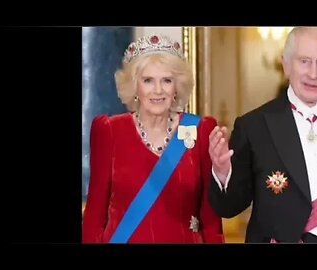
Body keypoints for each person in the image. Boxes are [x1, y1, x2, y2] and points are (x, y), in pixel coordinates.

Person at [82, 34, 224, 243]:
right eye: (148, 80)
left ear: (177, 87)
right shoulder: (109, 130)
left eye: (166, 80)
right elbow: (94, 215)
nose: (158, 90)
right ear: (135, 86)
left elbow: (211, 219)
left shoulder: (200, 130)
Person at [208, 27, 317, 243]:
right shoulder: (254, 126)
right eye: (304, 61)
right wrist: (223, 174)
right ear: (286, 65)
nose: (314, 74)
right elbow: (229, 207)